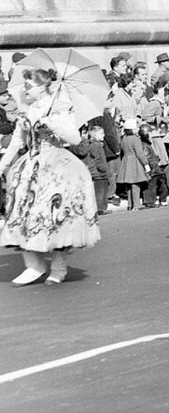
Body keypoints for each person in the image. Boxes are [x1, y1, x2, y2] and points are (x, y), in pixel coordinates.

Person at [0, 65, 101, 284]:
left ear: (43, 87)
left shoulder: (60, 108)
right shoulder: (27, 110)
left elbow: (74, 139)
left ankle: (58, 266)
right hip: (30, 165)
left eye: (30, 85)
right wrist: (2, 165)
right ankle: (34, 265)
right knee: (23, 213)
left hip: (57, 166)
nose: (26, 90)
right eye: (25, 85)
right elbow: (17, 141)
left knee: (56, 217)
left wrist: (52, 124)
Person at [113, 119, 151, 211]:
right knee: (136, 184)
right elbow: (140, 153)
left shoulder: (124, 139)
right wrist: (146, 164)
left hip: (126, 160)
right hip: (135, 161)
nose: (137, 129)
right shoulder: (136, 139)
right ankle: (137, 205)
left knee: (129, 185)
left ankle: (130, 204)